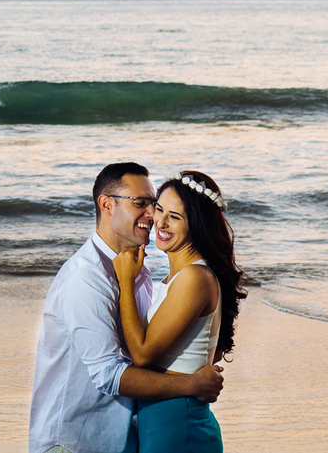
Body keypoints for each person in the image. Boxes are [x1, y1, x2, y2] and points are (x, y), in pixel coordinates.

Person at [29, 162, 225, 453]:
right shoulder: (87, 277)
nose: (153, 216)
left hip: (124, 438)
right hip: (76, 443)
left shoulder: (138, 273)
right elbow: (112, 373)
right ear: (107, 205)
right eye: (141, 203)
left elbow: (151, 351)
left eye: (153, 204)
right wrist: (193, 384)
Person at [112, 171, 247, 453]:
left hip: (178, 425)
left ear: (196, 224)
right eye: (159, 209)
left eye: (174, 216)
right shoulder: (180, 277)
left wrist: (125, 280)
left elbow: (143, 354)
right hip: (164, 421)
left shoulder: (194, 278)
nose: (160, 222)